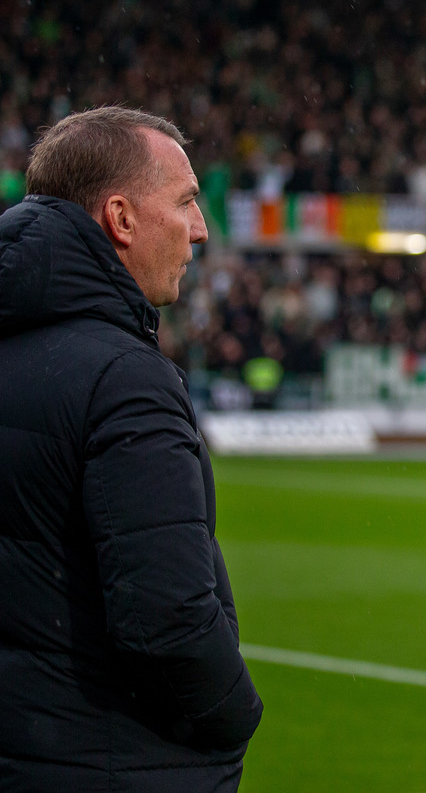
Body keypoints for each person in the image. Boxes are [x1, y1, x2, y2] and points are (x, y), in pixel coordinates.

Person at [0, 108, 263, 791]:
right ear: (120, 217)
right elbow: (168, 620)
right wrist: (235, 716)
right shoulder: (125, 379)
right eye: (185, 202)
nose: (200, 229)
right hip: (113, 760)